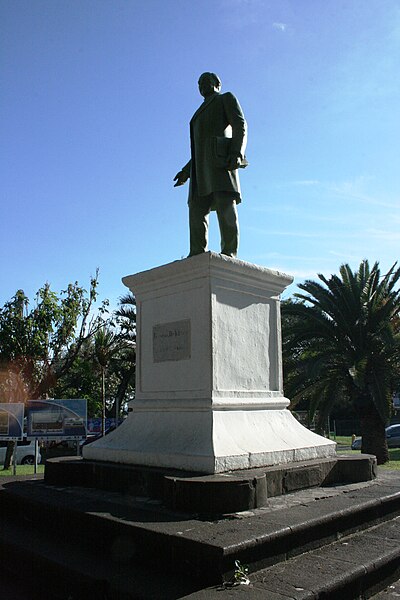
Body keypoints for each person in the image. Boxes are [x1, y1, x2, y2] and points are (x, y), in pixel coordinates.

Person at [174, 72, 248, 257]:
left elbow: (240, 125)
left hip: (221, 161)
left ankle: (229, 250)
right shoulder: (197, 115)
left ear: (217, 84)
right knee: (196, 209)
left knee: (225, 206)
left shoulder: (225, 99)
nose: (202, 86)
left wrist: (236, 153)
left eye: (206, 81)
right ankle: (196, 252)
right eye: (199, 83)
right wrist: (186, 171)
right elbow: (199, 150)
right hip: (200, 170)